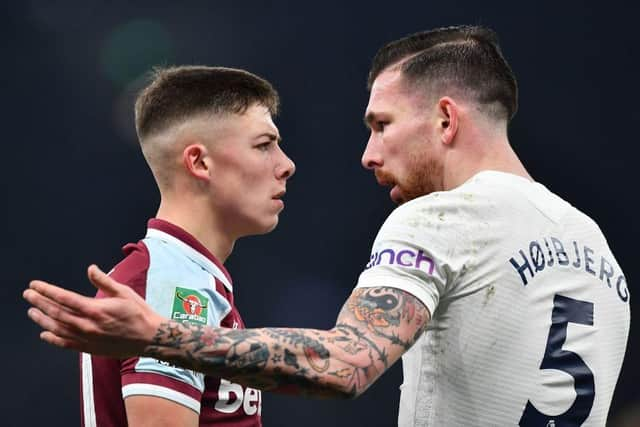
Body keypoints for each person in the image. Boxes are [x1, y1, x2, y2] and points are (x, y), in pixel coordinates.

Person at [25, 25, 630, 426]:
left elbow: (345, 364)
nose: (367, 153)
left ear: (446, 119)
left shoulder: (441, 219)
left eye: (381, 124)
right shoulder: (596, 248)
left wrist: (160, 335)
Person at [63, 65, 295, 426]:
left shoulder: (184, 275)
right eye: (264, 145)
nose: (287, 165)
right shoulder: (172, 286)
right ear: (200, 162)